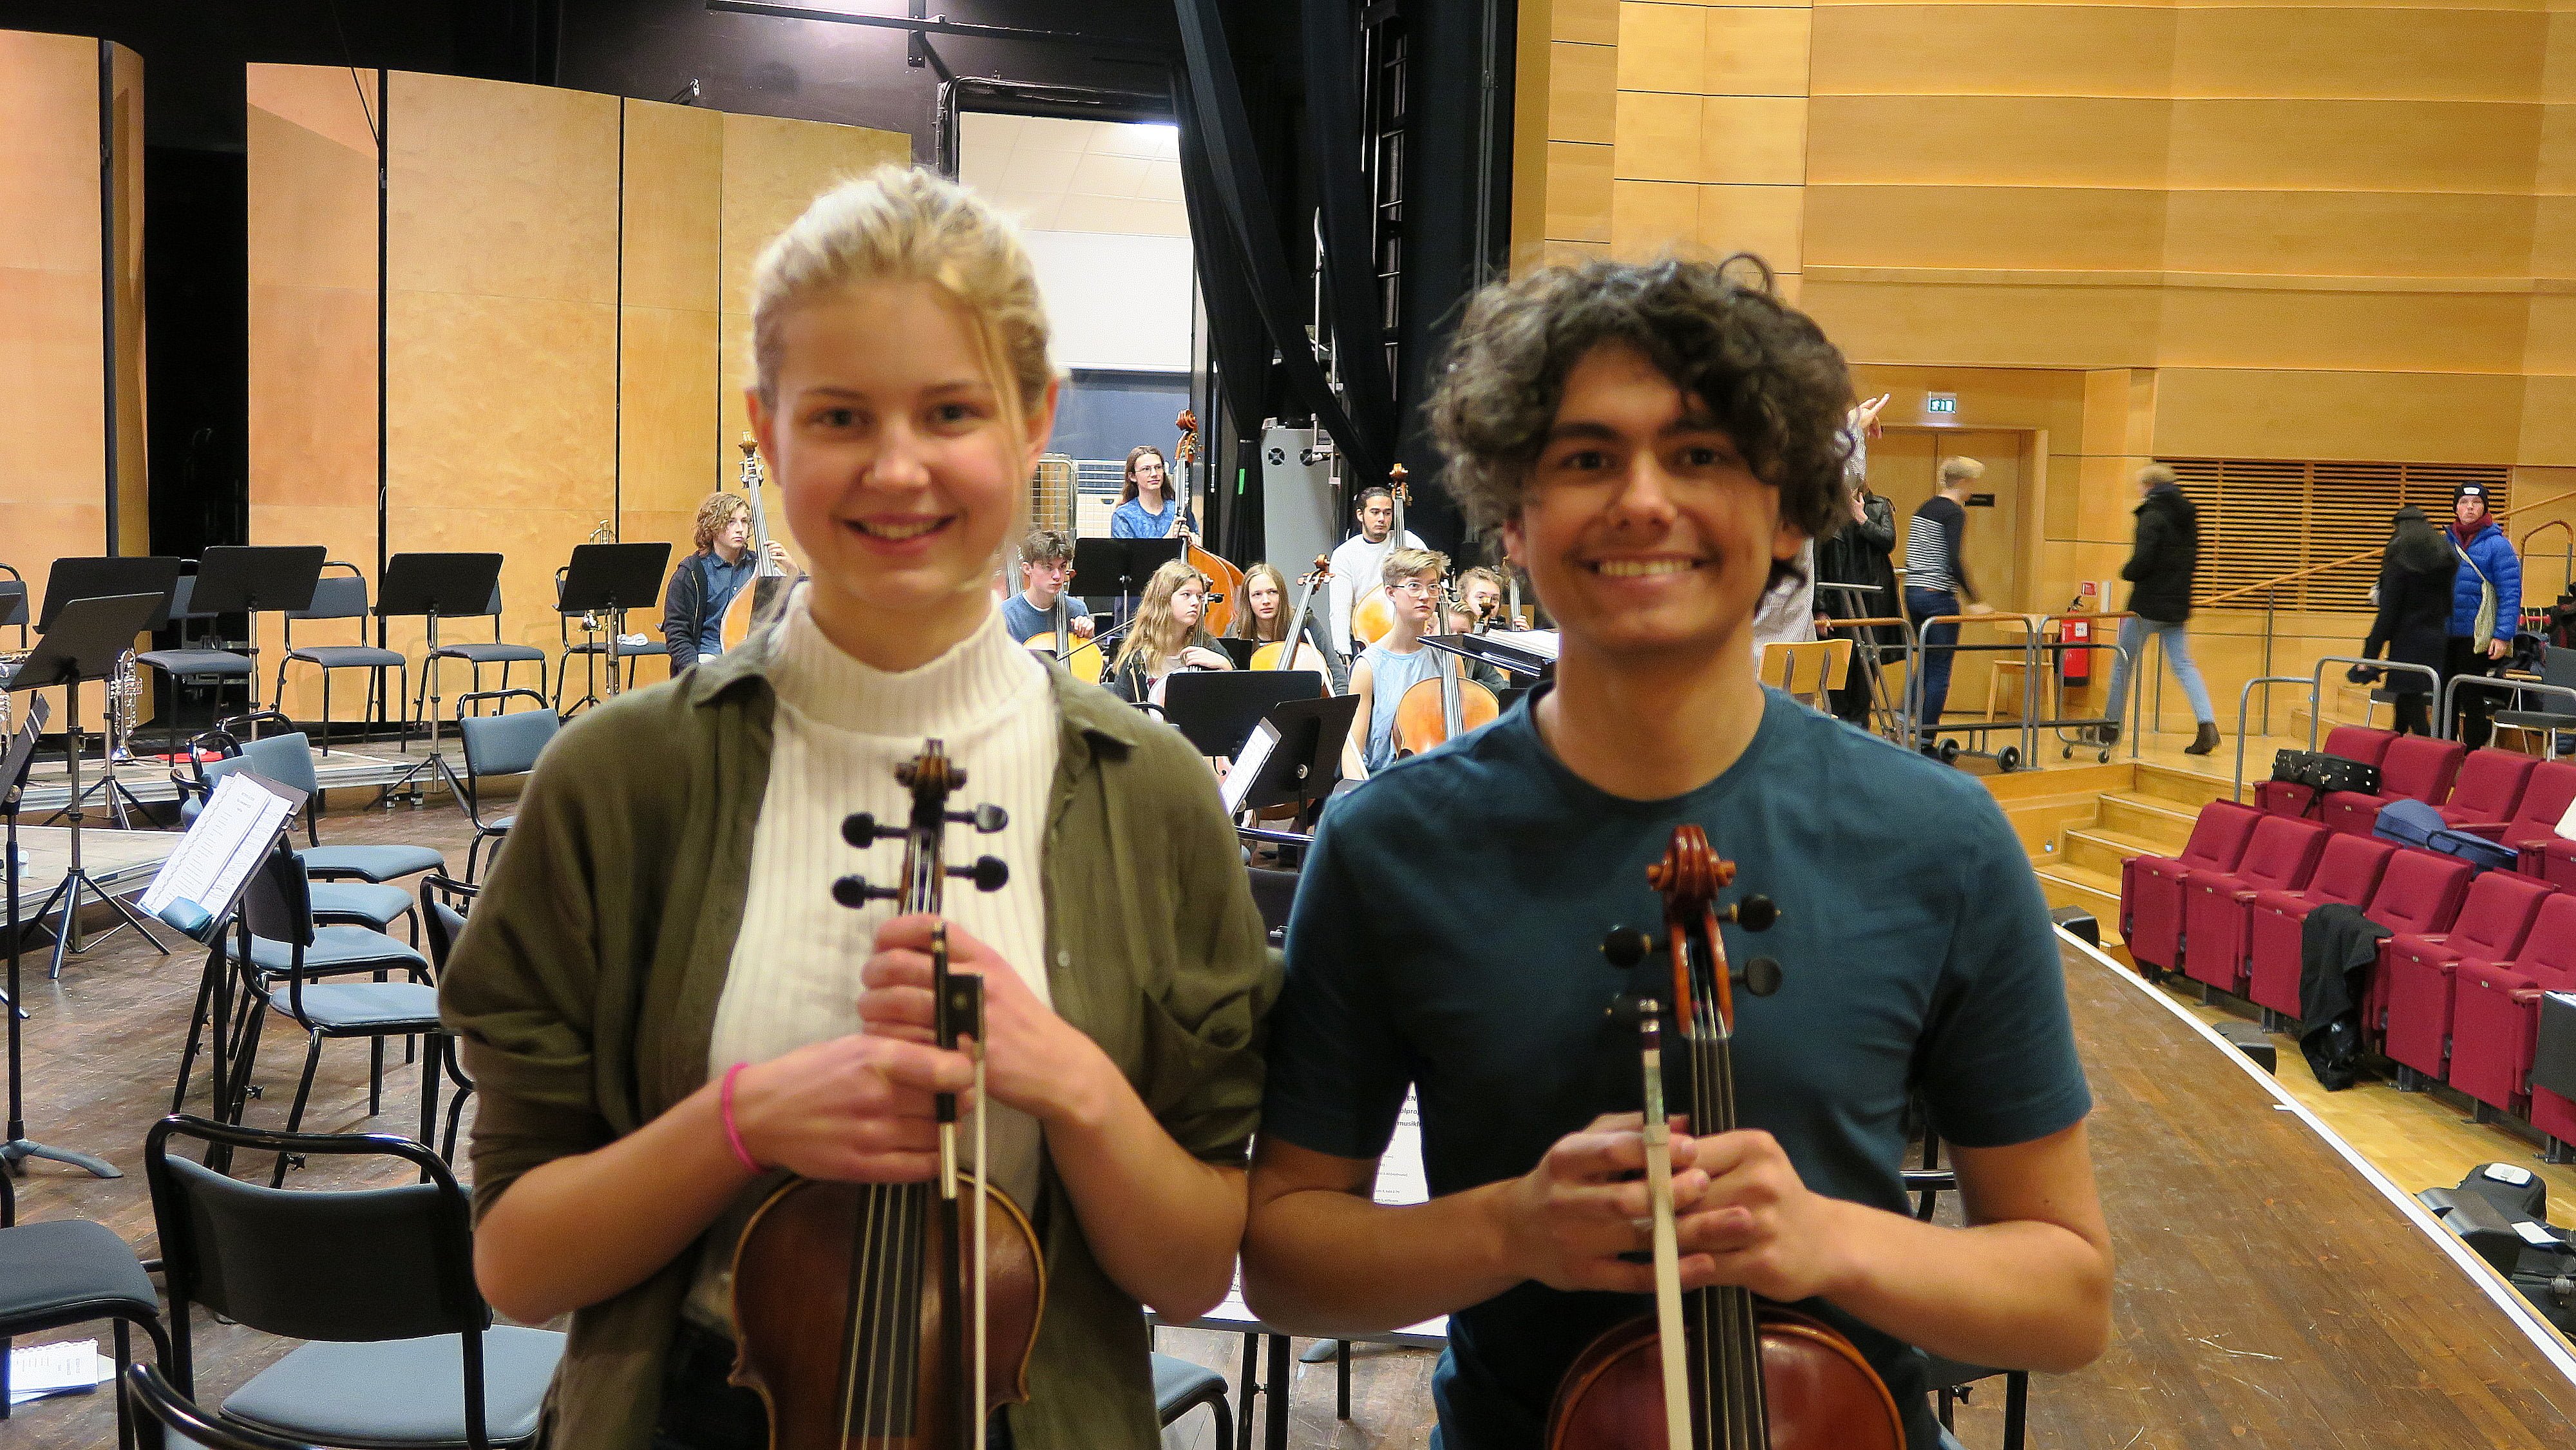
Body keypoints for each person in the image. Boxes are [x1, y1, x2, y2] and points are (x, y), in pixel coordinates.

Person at [438, 167, 1273, 1450]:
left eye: (951, 411)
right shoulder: (617, 780)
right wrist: (739, 1122)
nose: (897, 469)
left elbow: (1190, 1270)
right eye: (837, 416)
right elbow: (519, 1265)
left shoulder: (1153, 795)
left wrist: (1075, 1088)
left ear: (1037, 421)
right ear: (765, 434)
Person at [1243, 256, 2110, 1450]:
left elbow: (2067, 1295)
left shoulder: (1940, 841)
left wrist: (1830, 1239)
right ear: (1514, 511)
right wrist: (1509, 1230)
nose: (1643, 501)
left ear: (1790, 506)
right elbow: (1288, 1259)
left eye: (1701, 454)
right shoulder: (1391, 844)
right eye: (1586, 458)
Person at [2095, 464, 2219, 755]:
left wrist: (2127, 571)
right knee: (2184, 666)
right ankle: (2207, 725)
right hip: (2176, 605)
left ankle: (2111, 727)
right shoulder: (2188, 516)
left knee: (2123, 662)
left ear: (2148, 486)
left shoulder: (2151, 515)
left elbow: (2143, 561)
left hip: (2146, 606)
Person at [1340, 547, 1458, 779]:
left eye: (1432, 586)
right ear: (1391, 592)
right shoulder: (1368, 666)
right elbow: (1351, 751)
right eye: (1414, 586)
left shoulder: (1449, 659)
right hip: (1385, 784)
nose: (1425, 595)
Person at [1903, 457, 1993, 740]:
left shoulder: (1926, 507)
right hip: (1937, 595)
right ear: (1964, 482)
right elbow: (1953, 559)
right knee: (1940, 668)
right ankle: (1926, 737)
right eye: (1973, 483)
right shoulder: (1954, 511)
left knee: (1927, 661)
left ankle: (1905, 718)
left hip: (1913, 592)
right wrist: (1974, 599)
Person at [662, 492, 798, 673]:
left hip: (752, 664)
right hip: (708, 663)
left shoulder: (759, 569)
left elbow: (800, 608)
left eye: (744, 521)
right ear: (712, 527)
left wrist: (793, 571)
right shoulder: (691, 573)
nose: (740, 529)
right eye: (731, 522)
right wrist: (694, 673)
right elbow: (677, 632)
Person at [2357, 506, 2457, 736]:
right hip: (2435, 637)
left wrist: (2369, 656)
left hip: (2407, 640)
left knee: (2413, 705)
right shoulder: (2444, 557)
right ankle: (2398, 745)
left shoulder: (2400, 561)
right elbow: (2448, 606)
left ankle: (2428, 753)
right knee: (2406, 698)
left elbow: (2388, 614)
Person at [2445, 481, 2521, 749]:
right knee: (2444, 698)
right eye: (2464, 502)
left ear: (2485, 507)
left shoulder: (2499, 546)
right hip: (2445, 634)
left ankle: (2474, 756)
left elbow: (2510, 594)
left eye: (2476, 503)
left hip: (2476, 636)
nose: (2470, 508)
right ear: (2455, 507)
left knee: (2471, 697)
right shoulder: (2445, 541)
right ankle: (2444, 754)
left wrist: (2502, 636)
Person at [1817, 474, 1898, 728]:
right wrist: (1819, 608)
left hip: (1872, 602)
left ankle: (1860, 728)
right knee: (1838, 673)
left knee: (1866, 670)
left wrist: (1862, 519)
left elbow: (1889, 541)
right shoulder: (1825, 511)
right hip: (1836, 603)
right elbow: (1816, 562)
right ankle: (1839, 728)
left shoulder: (1879, 506)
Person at [1108, 557, 1233, 705]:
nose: (1196, 602)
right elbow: (1120, 712)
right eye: (1187, 594)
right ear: (1164, 599)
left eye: (1200, 596)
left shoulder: (1208, 645)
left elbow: (1238, 700)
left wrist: (1226, 666)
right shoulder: (1137, 659)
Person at [1325, 484, 1427, 655]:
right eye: (1375, 512)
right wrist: (1343, 653)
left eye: (1387, 513)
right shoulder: (1345, 554)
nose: (1382, 518)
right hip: (1369, 639)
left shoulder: (1411, 543)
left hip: (1412, 636)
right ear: (1360, 515)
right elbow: (1340, 609)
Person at [1231, 560, 1344, 687]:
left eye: (1272, 592)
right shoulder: (1235, 631)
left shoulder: (1306, 623)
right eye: (1257, 594)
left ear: (1282, 595)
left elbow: (1338, 676)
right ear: (1248, 600)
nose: (1266, 601)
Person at [1001, 526, 1094, 649]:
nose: (1057, 576)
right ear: (1027, 568)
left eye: (1062, 567)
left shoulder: (1076, 609)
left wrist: (1088, 638)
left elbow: (1084, 660)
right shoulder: (1006, 614)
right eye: (1048, 567)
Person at [1108, 444, 1195, 539]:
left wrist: (1194, 543)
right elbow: (1128, 553)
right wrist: (1167, 542)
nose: (1154, 474)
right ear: (1133, 476)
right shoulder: (1123, 516)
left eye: (1158, 467)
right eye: (1146, 469)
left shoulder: (1180, 510)